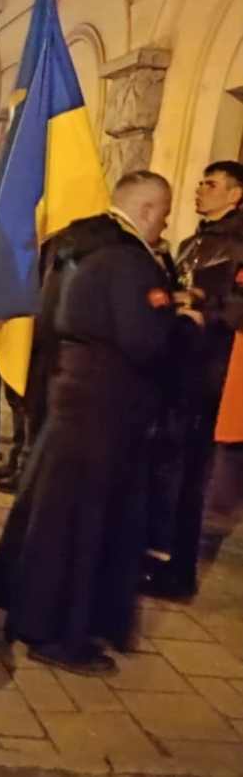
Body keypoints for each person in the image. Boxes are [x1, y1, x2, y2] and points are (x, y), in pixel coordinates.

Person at [0, 172, 200, 677]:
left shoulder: (79, 244)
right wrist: (183, 325)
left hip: (72, 396)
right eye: (163, 216)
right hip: (106, 409)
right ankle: (60, 633)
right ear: (145, 210)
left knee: (57, 518)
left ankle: (33, 614)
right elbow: (145, 341)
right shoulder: (126, 259)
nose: (163, 226)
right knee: (83, 525)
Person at [145, 160, 243, 599]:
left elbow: (237, 308)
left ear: (236, 195)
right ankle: (153, 554)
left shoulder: (239, 245)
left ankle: (179, 570)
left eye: (212, 184)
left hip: (210, 375)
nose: (200, 190)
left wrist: (205, 309)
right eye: (201, 182)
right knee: (163, 466)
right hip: (175, 367)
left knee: (190, 475)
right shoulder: (189, 243)